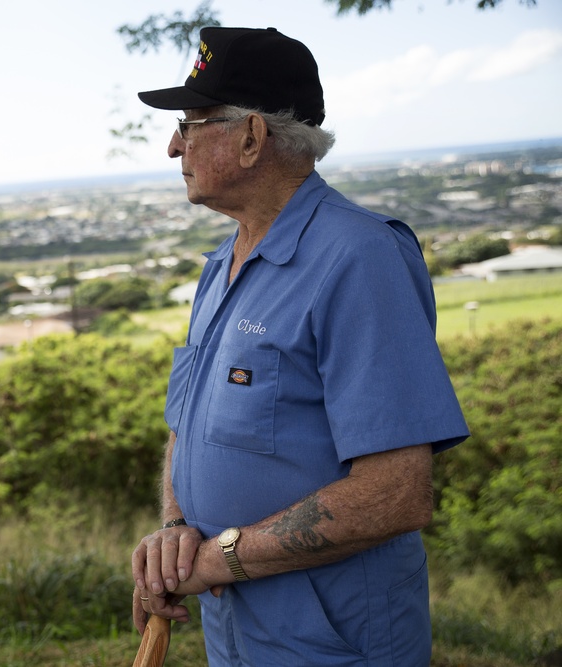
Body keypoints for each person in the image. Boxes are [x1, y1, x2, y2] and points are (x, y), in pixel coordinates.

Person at [130, 27, 469, 666]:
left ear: (252, 137)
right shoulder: (222, 264)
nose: (174, 144)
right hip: (234, 629)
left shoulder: (360, 257)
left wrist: (220, 558)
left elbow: (396, 492)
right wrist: (175, 532)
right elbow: (188, 427)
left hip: (331, 639)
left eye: (192, 124)